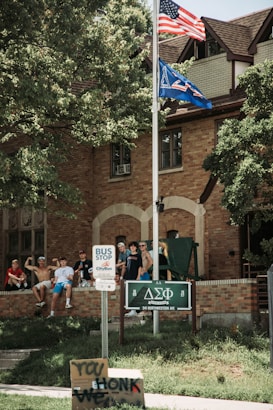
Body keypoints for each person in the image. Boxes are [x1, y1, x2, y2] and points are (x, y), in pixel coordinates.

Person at [121, 241, 143, 317]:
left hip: (134, 276)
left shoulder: (138, 256)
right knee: (128, 293)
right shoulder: (128, 256)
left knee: (134, 292)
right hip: (128, 277)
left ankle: (135, 310)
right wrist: (122, 276)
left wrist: (138, 276)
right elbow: (125, 267)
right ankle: (131, 310)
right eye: (131, 246)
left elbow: (140, 267)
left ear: (136, 247)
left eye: (134, 246)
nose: (132, 247)